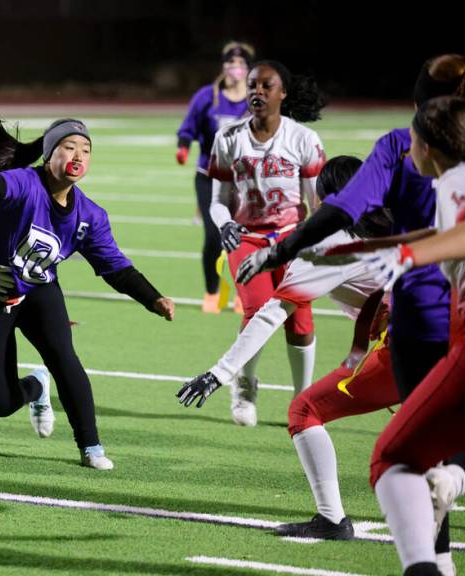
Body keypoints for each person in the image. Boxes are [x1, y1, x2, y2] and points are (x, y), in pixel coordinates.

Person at [235, 54, 465, 568]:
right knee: (429, 457)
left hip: (431, 328)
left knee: (402, 459)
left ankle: (431, 556)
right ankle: (450, 504)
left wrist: (285, 250)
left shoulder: (410, 152)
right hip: (445, 327)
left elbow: (349, 210)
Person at [178, 156, 398, 541]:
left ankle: (332, 519)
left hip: (411, 346)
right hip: (455, 334)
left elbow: (271, 315)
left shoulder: (331, 245)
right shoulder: (401, 219)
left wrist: (220, 372)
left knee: (305, 409)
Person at [0, 107, 175, 470]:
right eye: (68, 146)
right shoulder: (23, 183)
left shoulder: (91, 215)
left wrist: (153, 297)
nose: (78, 155)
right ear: (50, 154)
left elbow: (115, 267)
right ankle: (35, 386)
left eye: (85, 149)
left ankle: (91, 447)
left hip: (39, 292)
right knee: (0, 404)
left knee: (66, 361)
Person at [364, 96, 465, 576]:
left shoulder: (456, 181)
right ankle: (455, 478)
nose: (403, 143)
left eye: (410, 135)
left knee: (392, 459)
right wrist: (383, 247)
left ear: (429, 147)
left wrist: (410, 259)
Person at [205, 60, 327, 427]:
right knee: (256, 309)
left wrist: (315, 241)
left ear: (282, 93)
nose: (257, 91)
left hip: (292, 238)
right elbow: (216, 200)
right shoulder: (228, 137)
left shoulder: (303, 139)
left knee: (301, 322)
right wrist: (224, 224)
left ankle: (302, 400)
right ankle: (244, 385)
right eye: (253, 85)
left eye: (266, 86)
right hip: (247, 237)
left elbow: (316, 202)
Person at [175, 41, 253, 313]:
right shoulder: (207, 96)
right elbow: (188, 127)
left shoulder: (255, 97)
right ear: (223, 67)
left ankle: (244, 294)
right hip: (208, 176)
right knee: (213, 236)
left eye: (242, 64)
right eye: (231, 63)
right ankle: (212, 291)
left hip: (245, 180)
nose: (236, 68)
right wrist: (183, 147)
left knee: (245, 238)